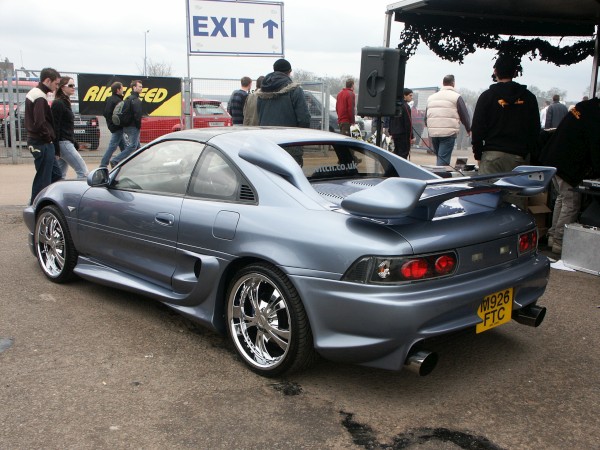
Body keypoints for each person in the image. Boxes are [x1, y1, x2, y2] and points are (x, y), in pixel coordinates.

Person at [471, 56, 540, 208]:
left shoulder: (487, 97)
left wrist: (478, 153)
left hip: (491, 156)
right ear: (516, 72)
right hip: (518, 158)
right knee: (515, 205)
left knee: (485, 202)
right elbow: (535, 131)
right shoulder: (529, 98)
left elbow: (477, 128)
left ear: (495, 71)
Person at [538, 97, 600, 255]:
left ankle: (553, 236)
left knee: (561, 198)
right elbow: (596, 146)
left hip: (553, 158)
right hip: (566, 163)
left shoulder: (584, 107)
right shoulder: (594, 116)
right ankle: (560, 241)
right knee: (571, 203)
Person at [257, 59, 311, 166]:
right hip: (290, 143)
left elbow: (259, 115)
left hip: (267, 142)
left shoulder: (262, 91)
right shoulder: (294, 90)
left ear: (274, 70)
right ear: (289, 72)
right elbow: (304, 118)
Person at [25, 67, 63, 204]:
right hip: (41, 142)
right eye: (56, 83)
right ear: (48, 80)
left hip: (43, 142)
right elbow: (40, 122)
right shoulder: (39, 96)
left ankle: (52, 203)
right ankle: (36, 207)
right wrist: (48, 138)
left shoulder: (38, 94)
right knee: (43, 179)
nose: (56, 87)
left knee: (56, 175)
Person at [425, 74, 471, 166]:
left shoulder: (431, 97)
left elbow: (426, 116)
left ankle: (437, 176)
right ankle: (440, 178)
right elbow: (464, 115)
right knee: (443, 159)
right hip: (448, 132)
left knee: (439, 157)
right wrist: (468, 128)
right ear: (453, 83)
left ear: (443, 83)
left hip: (433, 132)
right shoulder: (456, 97)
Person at [51, 77, 88, 179]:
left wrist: (74, 142)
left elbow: (66, 127)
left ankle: (55, 192)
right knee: (83, 171)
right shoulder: (58, 103)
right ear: (63, 87)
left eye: (74, 85)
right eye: (70, 85)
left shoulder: (65, 102)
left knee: (59, 175)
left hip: (66, 142)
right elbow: (55, 126)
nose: (73, 88)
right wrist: (56, 148)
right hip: (63, 143)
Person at [110, 80, 143, 168]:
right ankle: (115, 160)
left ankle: (138, 164)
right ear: (134, 87)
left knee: (137, 146)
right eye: (139, 86)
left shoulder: (127, 99)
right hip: (133, 126)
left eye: (141, 86)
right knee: (132, 146)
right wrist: (138, 126)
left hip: (126, 126)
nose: (141, 88)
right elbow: (137, 115)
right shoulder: (136, 100)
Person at [383, 88, 415, 159]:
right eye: (410, 95)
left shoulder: (394, 105)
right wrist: (411, 136)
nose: (411, 97)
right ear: (404, 96)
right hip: (403, 134)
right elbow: (408, 122)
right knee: (403, 154)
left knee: (397, 153)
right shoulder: (406, 106)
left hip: (395, 133)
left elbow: (390, 119)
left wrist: (390, 131)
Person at [100, 81, 126, 167]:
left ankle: (126, 161)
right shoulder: (117, 101)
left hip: (113, 126)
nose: (123, 90)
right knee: (112, 146)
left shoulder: (109, 99)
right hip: (117, 127)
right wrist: (116, 123)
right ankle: (104, 164)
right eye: (122, 88)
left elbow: (105, 113)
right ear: (118, 90)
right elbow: (119, 115)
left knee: (124, 147)